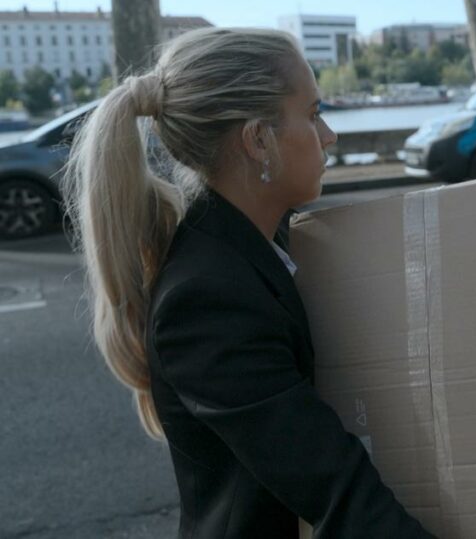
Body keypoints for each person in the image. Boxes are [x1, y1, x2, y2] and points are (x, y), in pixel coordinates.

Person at [63, 28, 433, 538]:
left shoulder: (257, 241)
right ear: (259, 140)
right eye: (312, 113)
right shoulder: (207, 299)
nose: (330, 135)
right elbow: (337, 491)